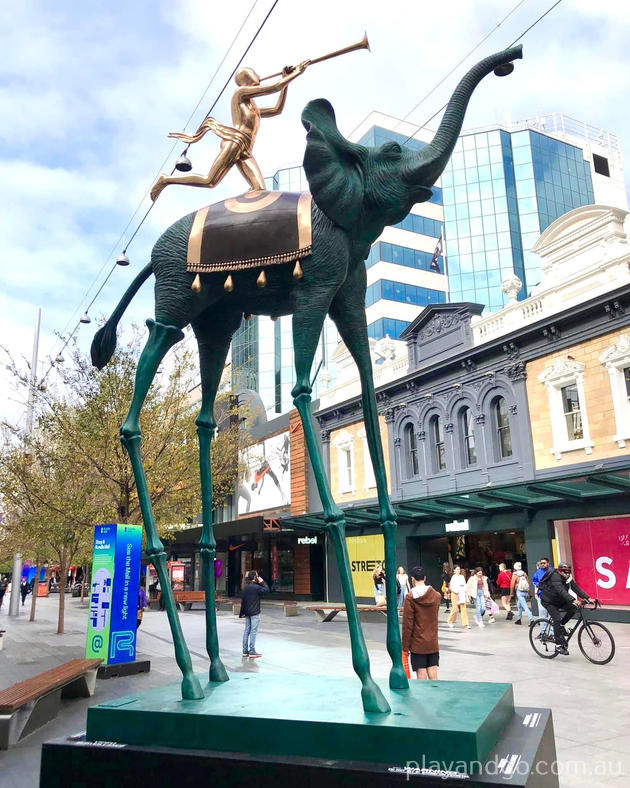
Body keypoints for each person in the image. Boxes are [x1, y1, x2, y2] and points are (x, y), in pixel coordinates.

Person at [151, 61, 310, 201]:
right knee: (210, 181)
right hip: (235, 141)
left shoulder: (254, 108)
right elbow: (275, 86)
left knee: (260, 189)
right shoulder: (240, 93)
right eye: (256, 75)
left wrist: (286, 82)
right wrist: (296, 72)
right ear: (247, 80)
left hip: (246, 149)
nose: (259, 77)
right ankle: (166, 179)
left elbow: (277, 109)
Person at [537, 561, 593, 655]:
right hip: (548, 601)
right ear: (559, 571)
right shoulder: (555, 576)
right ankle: (558, 645)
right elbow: (561, 590)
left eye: (568, 571)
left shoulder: (568, 578)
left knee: (573, 608)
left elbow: (575, 588)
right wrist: (573, 600)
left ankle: (562, 626)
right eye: (564, 571)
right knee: (557, 619)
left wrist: (588, 598)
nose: (567, 574)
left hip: (559, 600)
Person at [401, 566, 442, 680]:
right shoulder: (437, 596)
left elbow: (407, 624)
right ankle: (436, 695)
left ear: (412, 579)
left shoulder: (410, 597)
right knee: (433, 671)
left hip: (418, 643)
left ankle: (424, 697)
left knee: (421, 673)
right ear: (425, 578)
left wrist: (405, 646)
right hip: (433, 642)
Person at [239, 570, 269, 658]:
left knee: (246, 630)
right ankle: (252, 651)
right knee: (253, 631)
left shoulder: (245, 588)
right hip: (255, 612)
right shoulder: (256, 587)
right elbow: (267, 590)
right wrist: (262, 581)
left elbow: (243, 601)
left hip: (247, 612)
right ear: (255, 577)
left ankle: (245, 651)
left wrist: (242, 612)